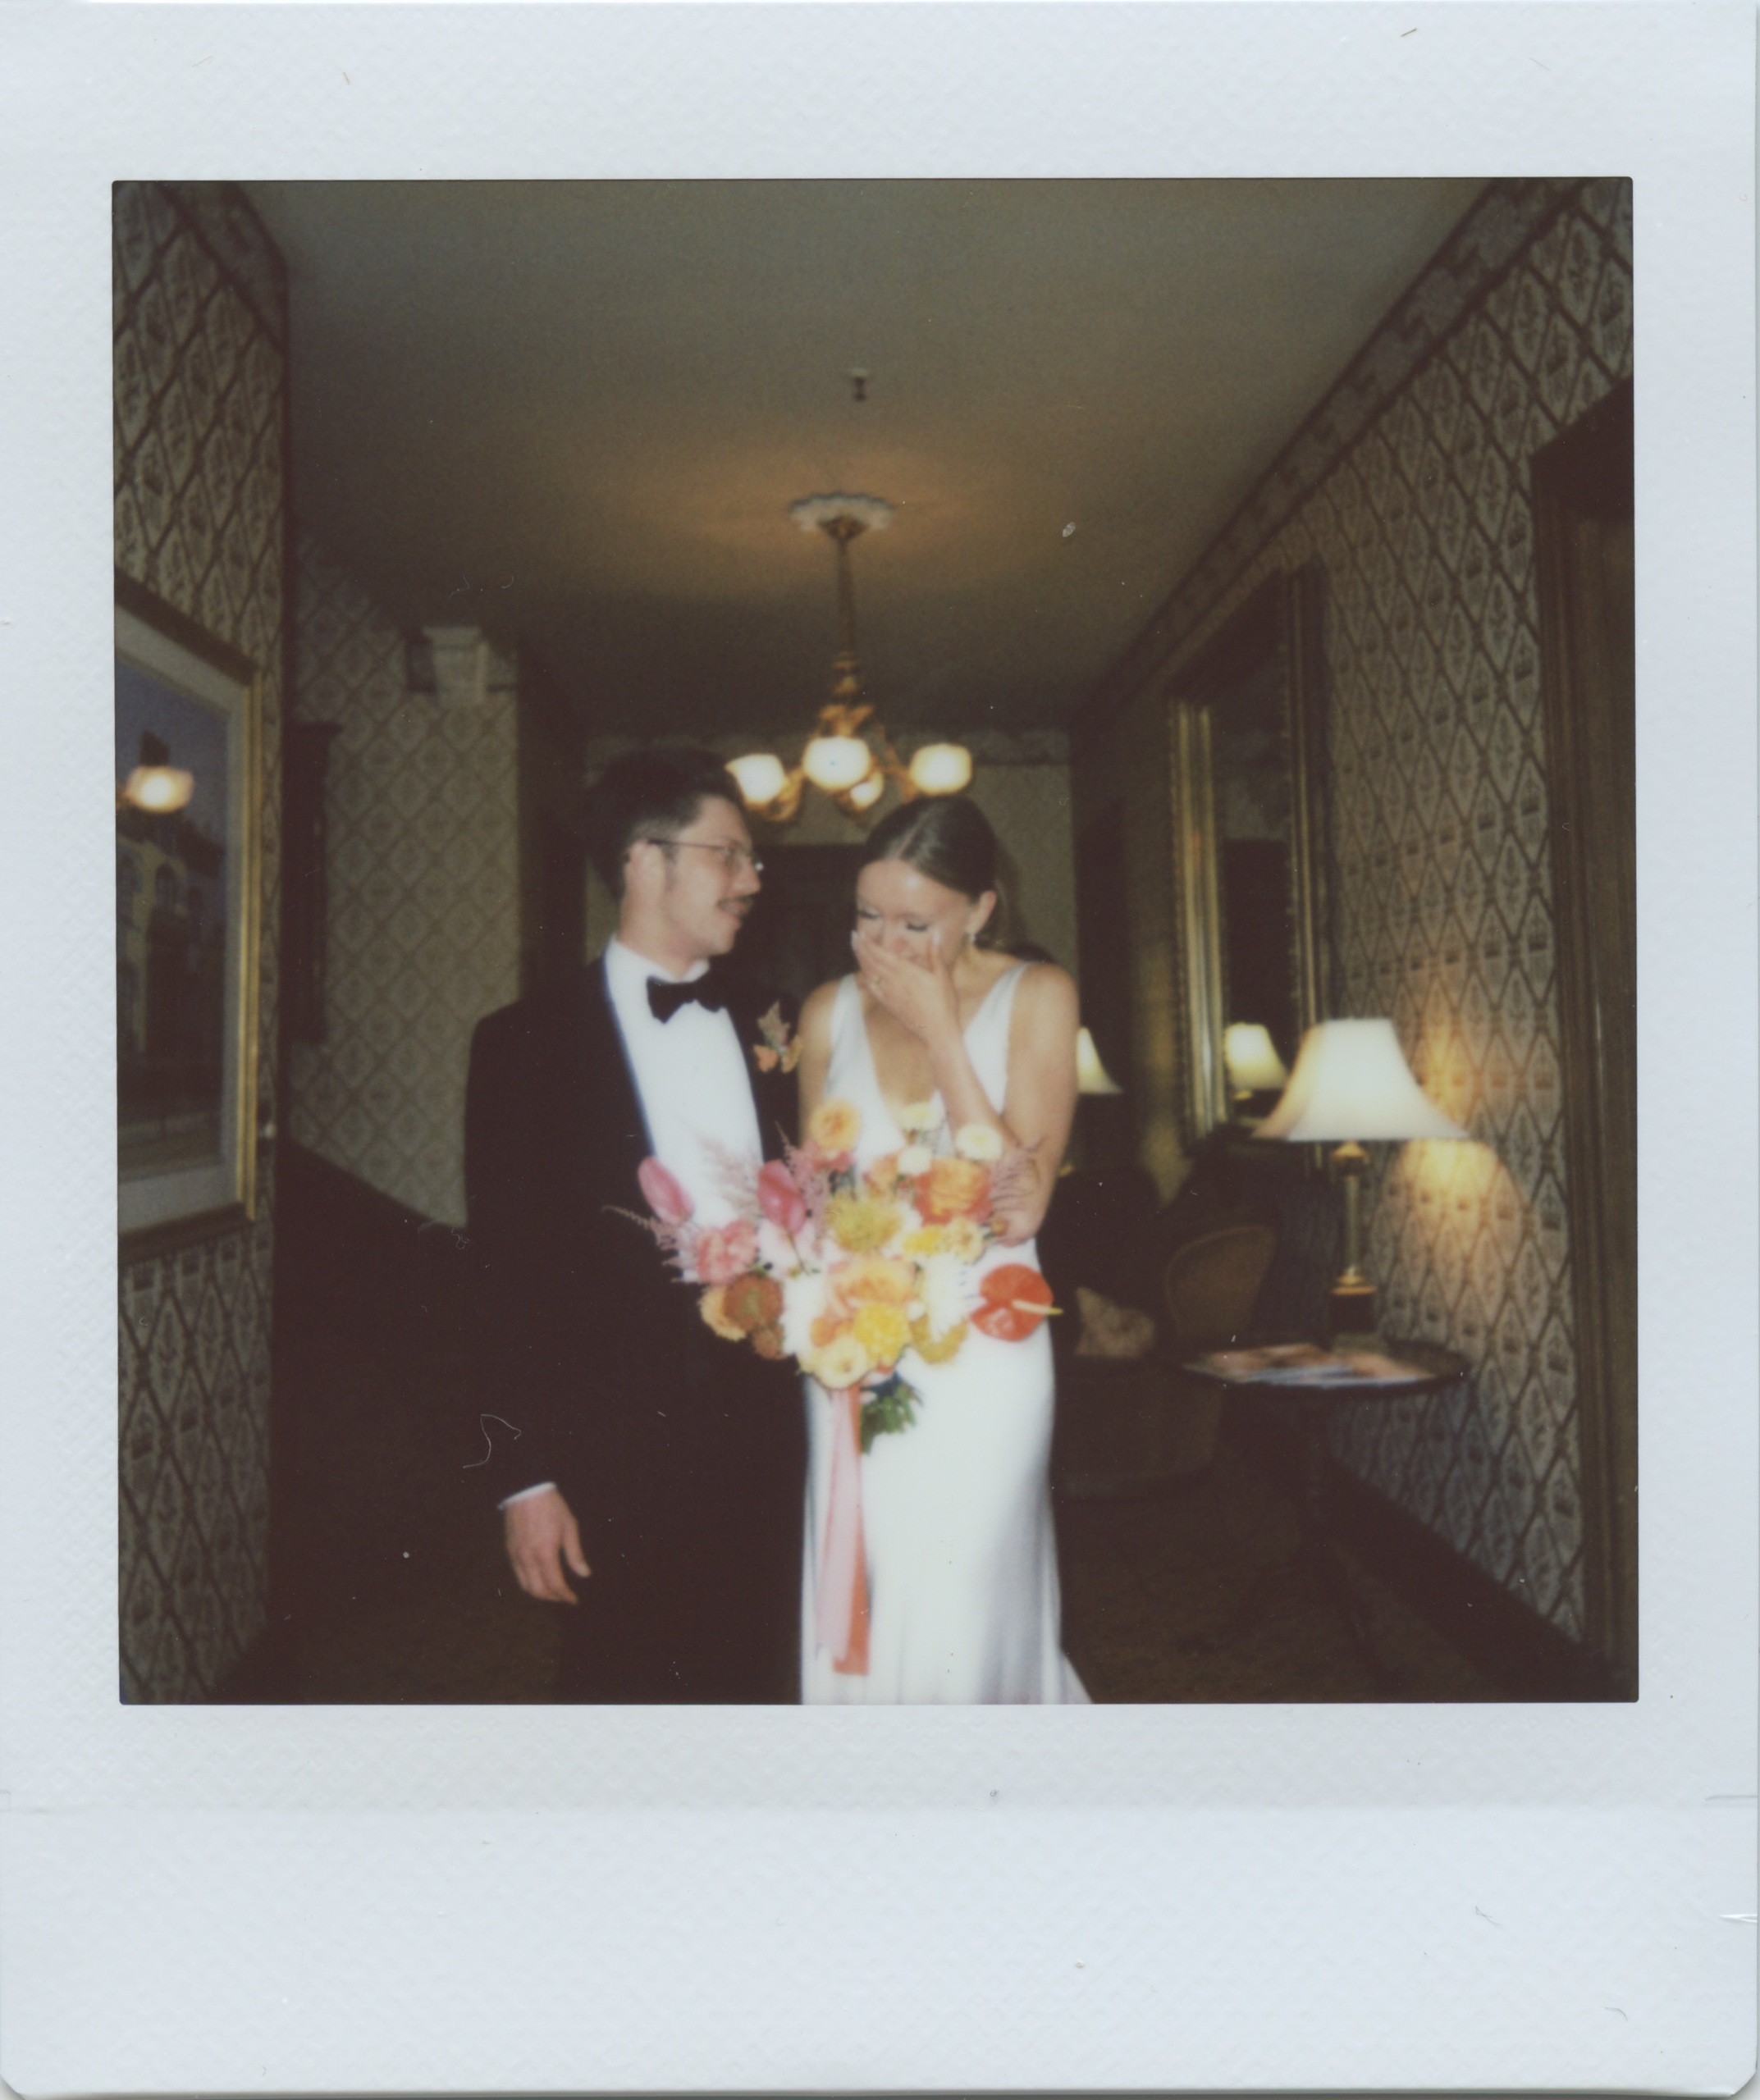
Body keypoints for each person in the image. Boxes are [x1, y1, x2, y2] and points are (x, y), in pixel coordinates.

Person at [464, 748, 806, 1701]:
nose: (751, 880)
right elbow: (496, 1278)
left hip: (773, 1440)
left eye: (752, 859)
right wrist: (522, 1479)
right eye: (727, 854)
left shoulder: (779, 1023)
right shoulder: (522, 1044)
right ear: (644, 861)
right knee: (623, 1707)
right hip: (613, 1458)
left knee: (767, 1695)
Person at [794, 796, 1089, 1703]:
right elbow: (816, 1202)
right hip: (858, 1350)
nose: (885, 944)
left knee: (960, 1607)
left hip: (985, 1351)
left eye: (915, 923)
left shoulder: (1039, 995)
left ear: (981, 910)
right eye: (867, 917)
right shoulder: (827, 1011)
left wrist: (941, 1033)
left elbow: (1017, 1208)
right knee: (870, 1589)